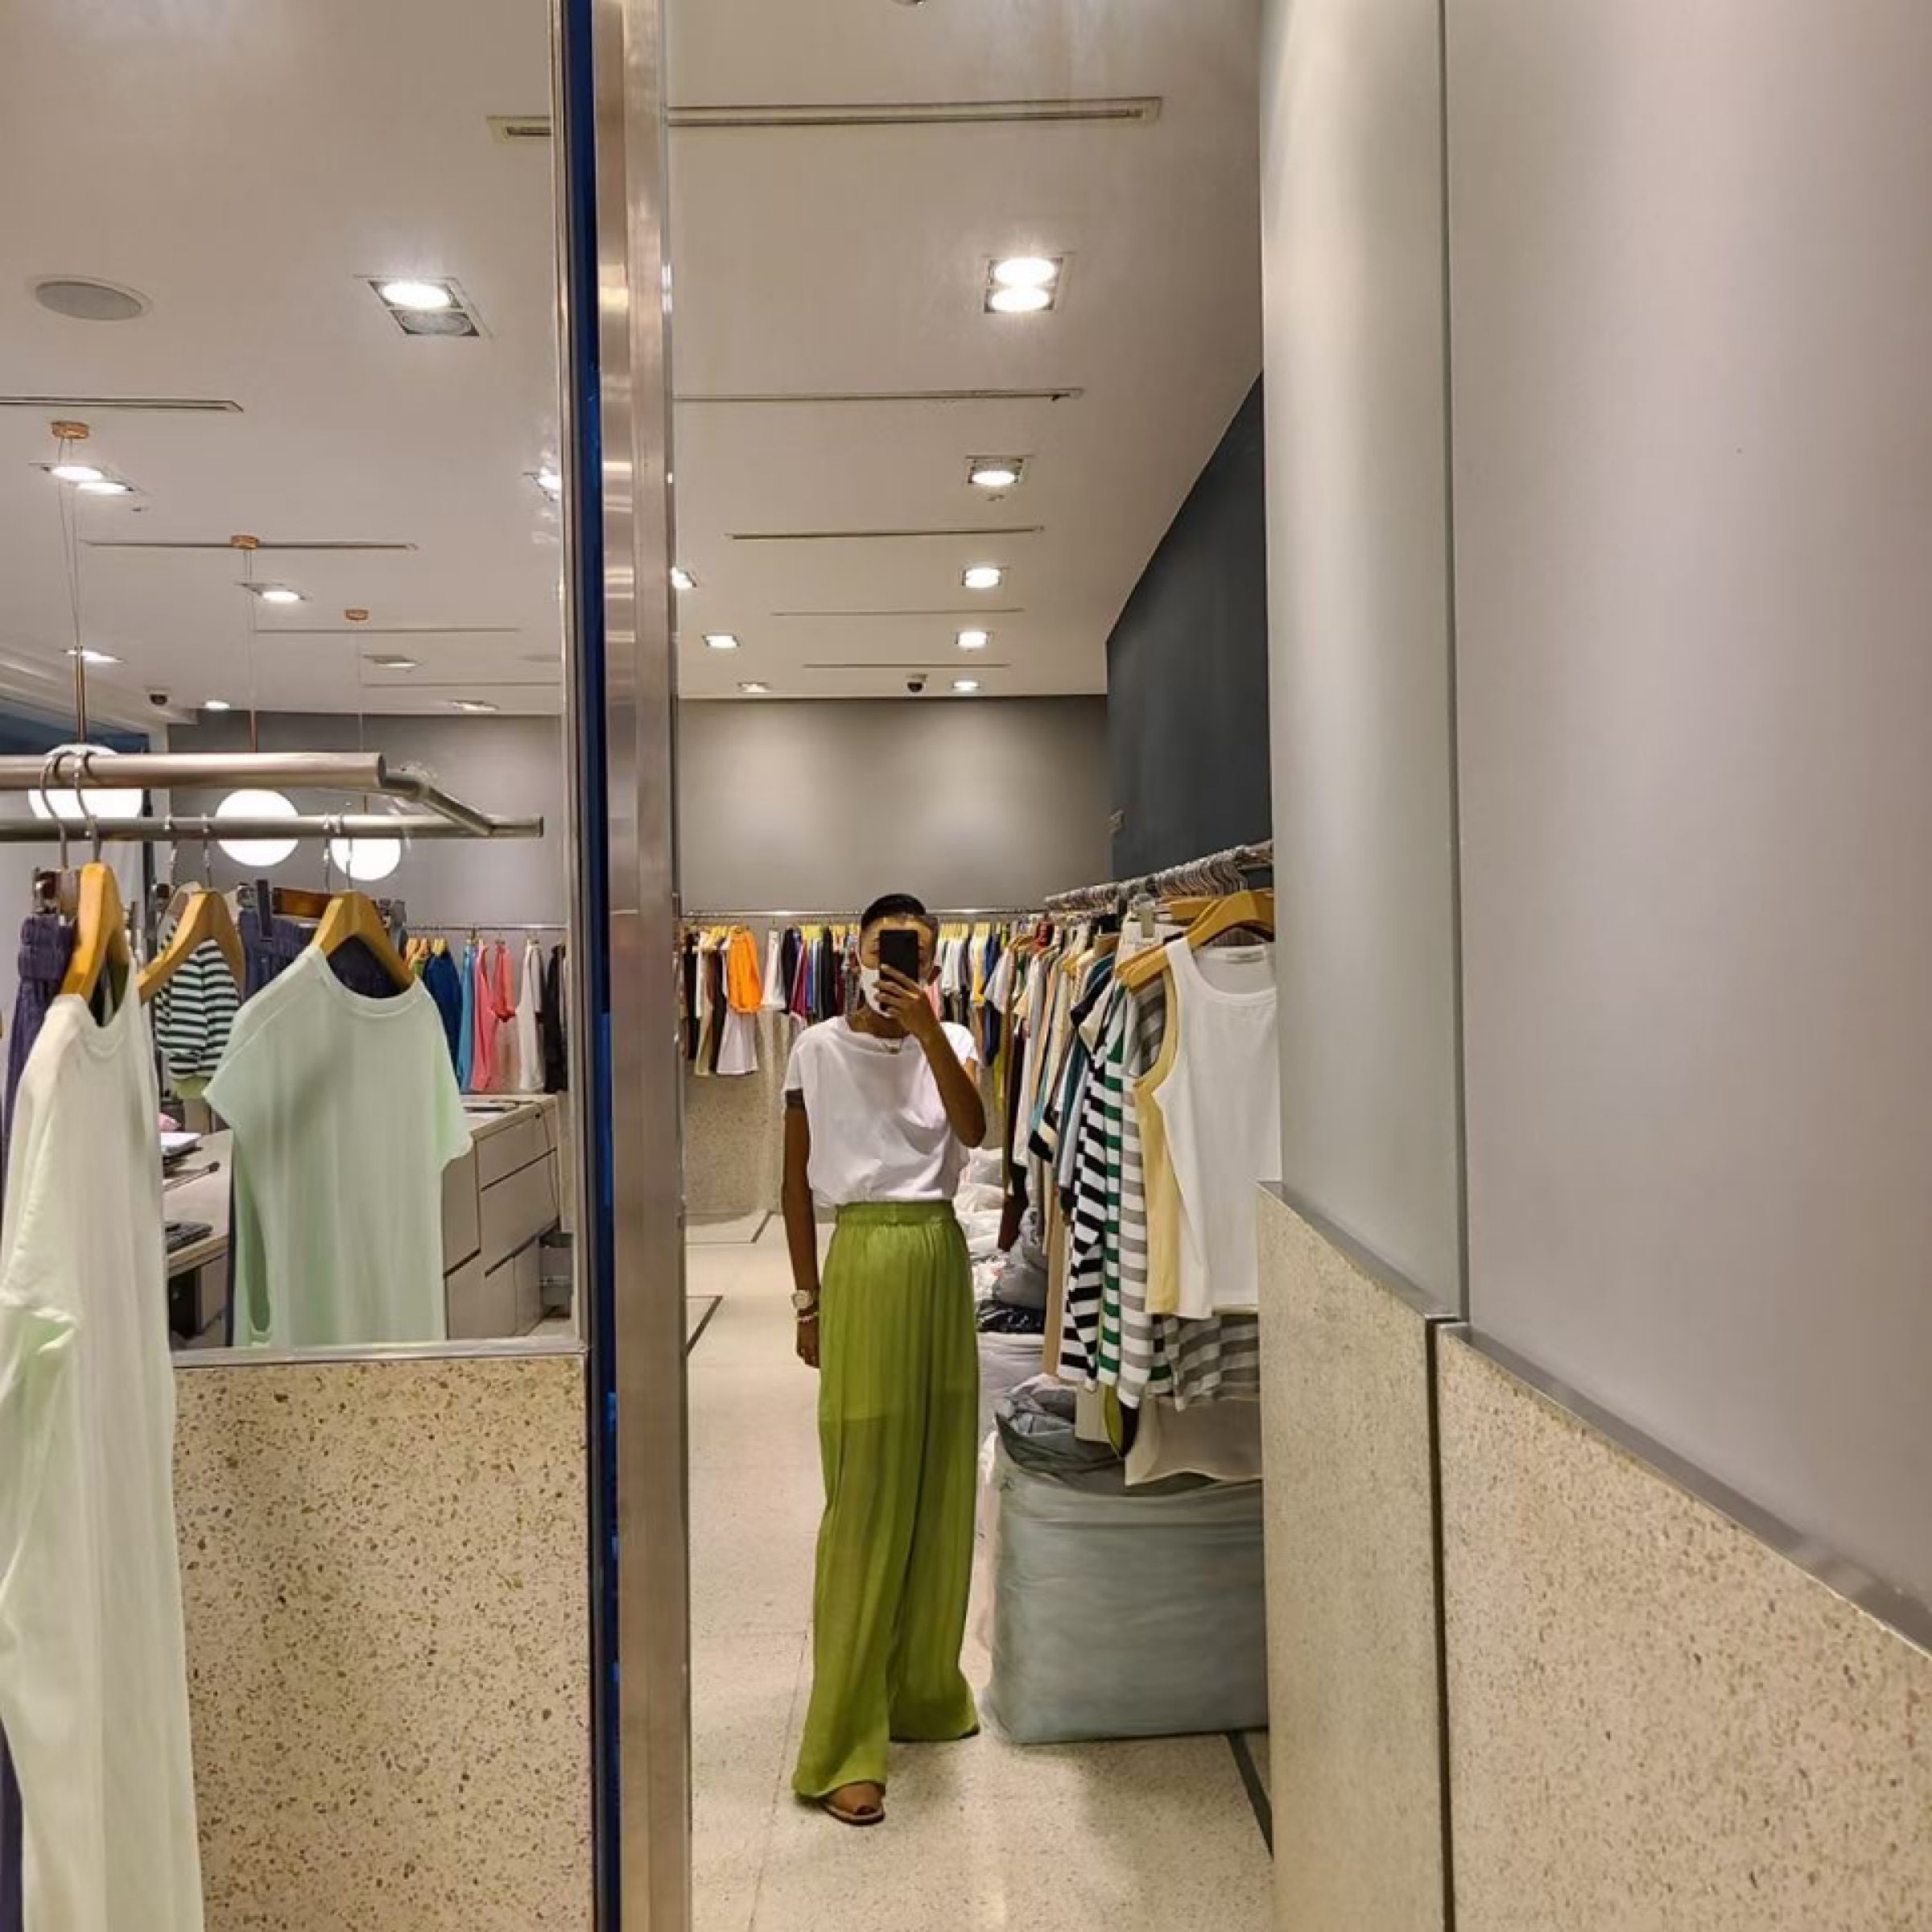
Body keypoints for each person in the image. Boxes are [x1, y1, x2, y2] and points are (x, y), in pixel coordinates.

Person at [781, 893, 988, 1827]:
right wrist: (806, 1298)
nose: (896, 965)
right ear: (856, 954)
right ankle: (843, 1740)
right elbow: (794, 1181)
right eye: (881, 949)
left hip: (939, 1254)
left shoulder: (957, 1041)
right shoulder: (815, 1048)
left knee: (941, 1487)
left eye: (915, 955)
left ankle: (921, 1692)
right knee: (863, 1499)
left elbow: (974, 1132)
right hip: (862, 1255)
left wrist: (932, 1033)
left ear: (933, 967)